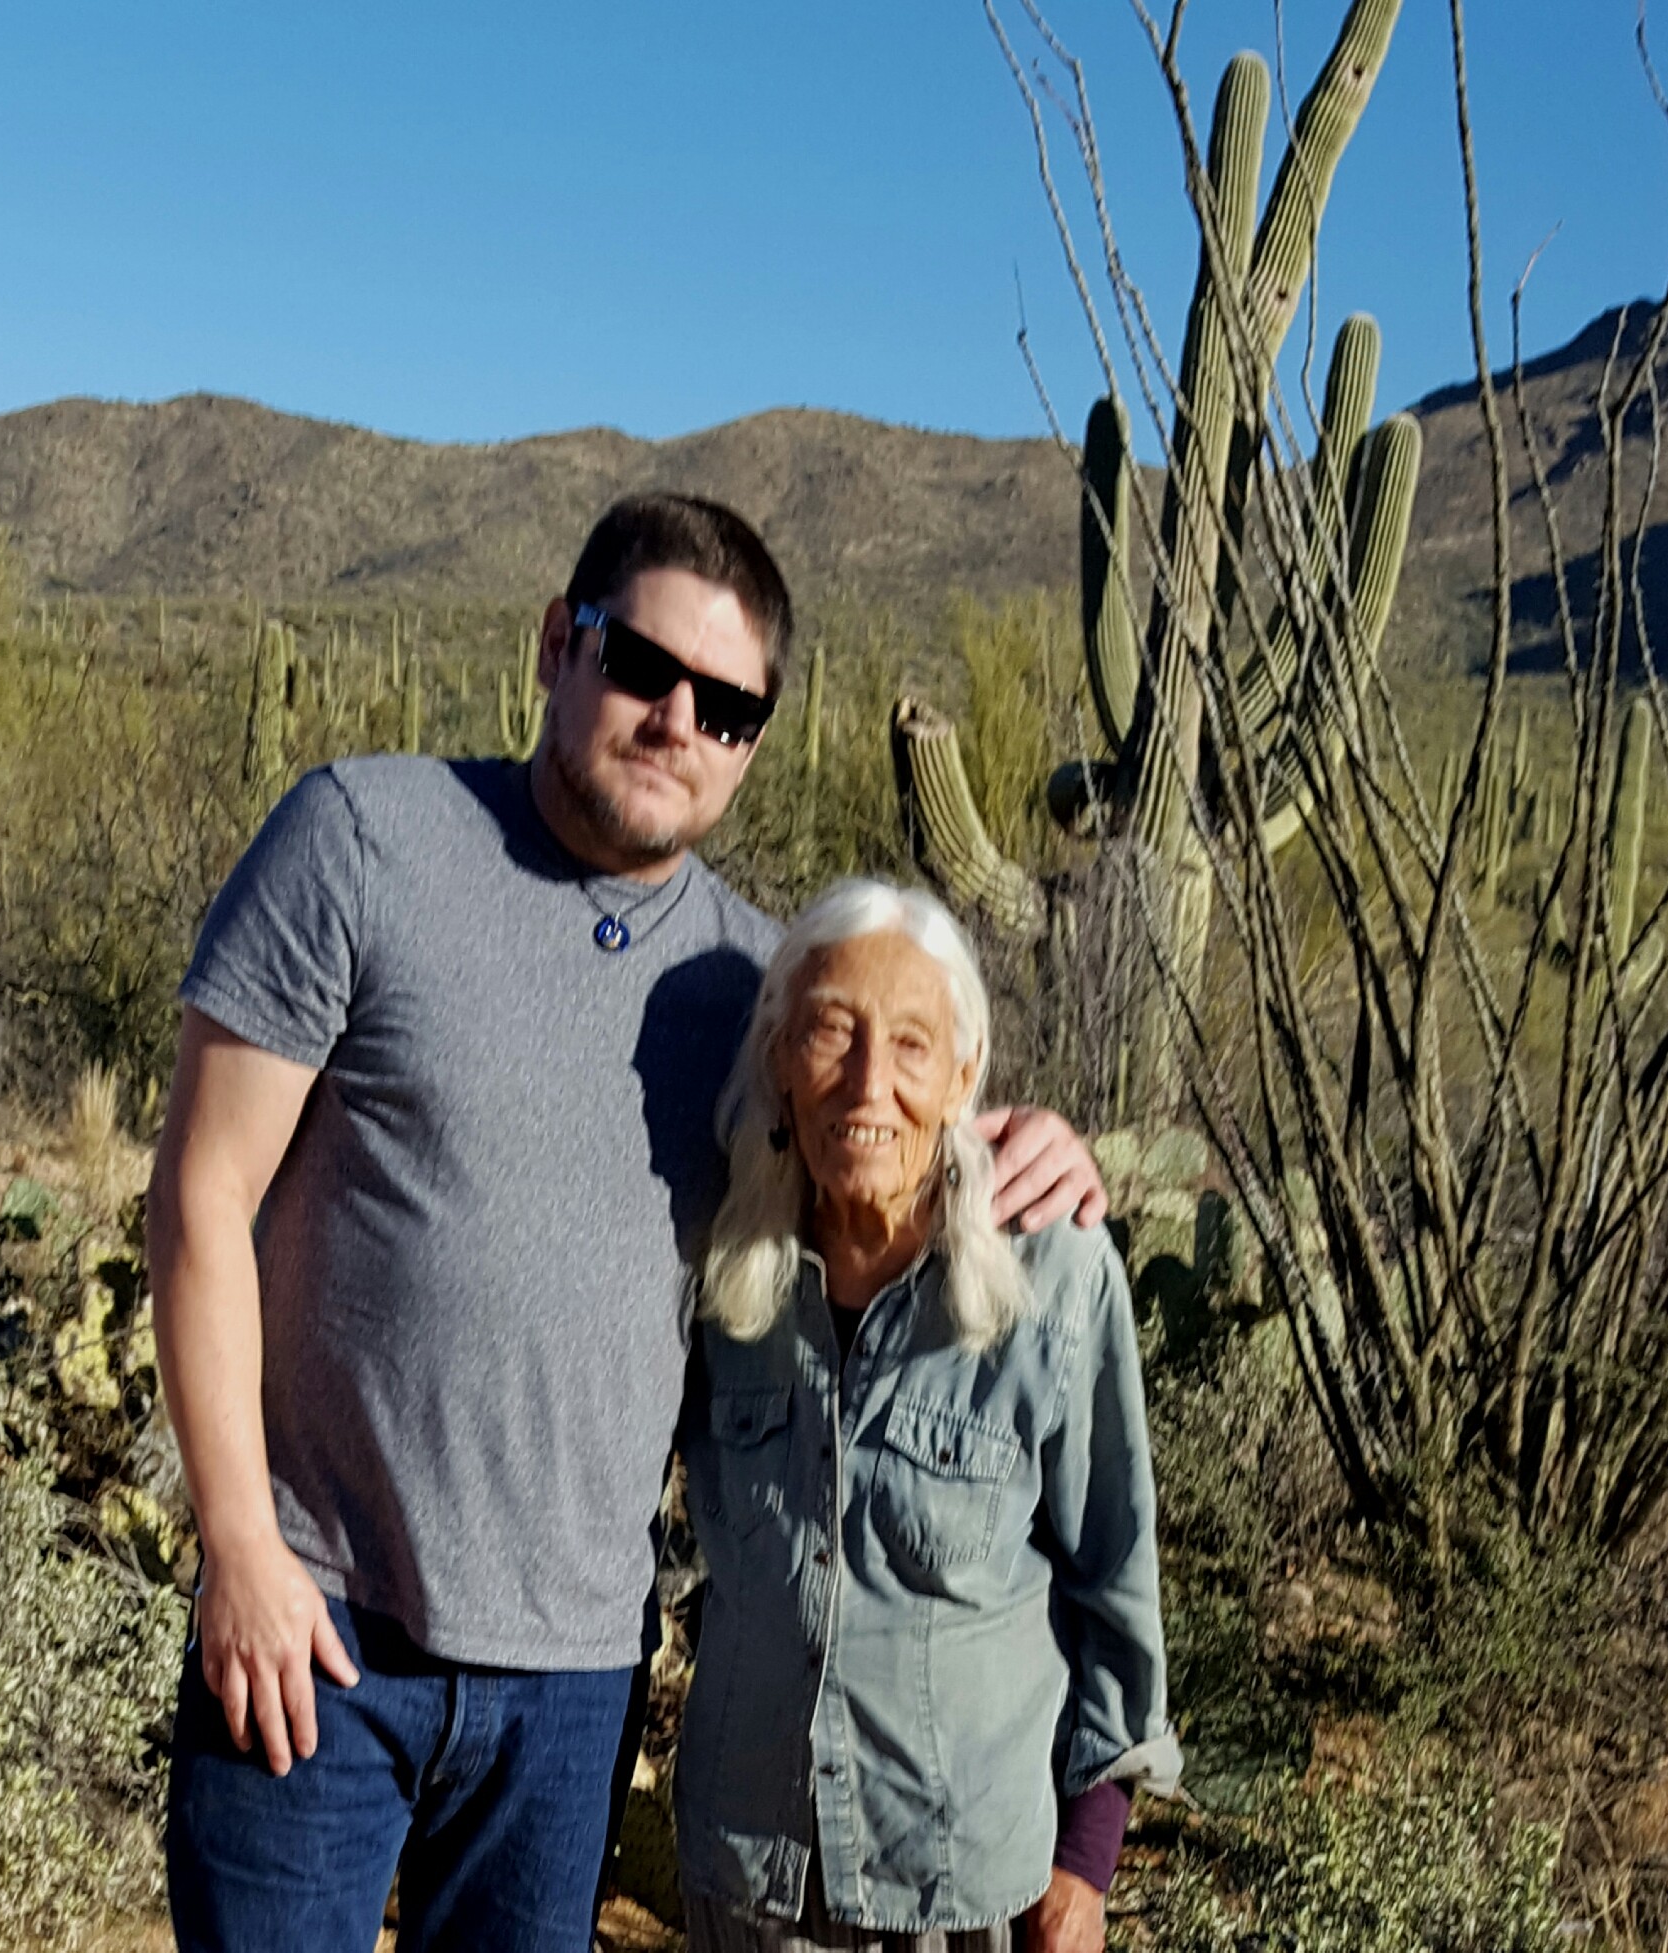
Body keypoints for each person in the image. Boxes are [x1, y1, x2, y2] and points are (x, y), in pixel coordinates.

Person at [148, 494, 1110, 1953]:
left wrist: (1032, 1141)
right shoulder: (363, 838)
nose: (677, 720)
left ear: (754, 741)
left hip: (576, 1682)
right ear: (557, 645)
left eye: (727, 707)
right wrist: (237, 1545)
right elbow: (201, 1194)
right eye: (642, 668)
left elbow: (876, 1120)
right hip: (315, 1629)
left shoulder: (747, 984)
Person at [676, 878, 1178, 1953]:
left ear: (961, 1078)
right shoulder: (716, 1275)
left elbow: (1113, 1576)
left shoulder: (1055, 1274)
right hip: (746, 1876)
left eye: (911, 1045)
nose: (867, 1083)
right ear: (776, 1061)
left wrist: (1084, 1863)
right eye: (828, 1032)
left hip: (960, 1887)